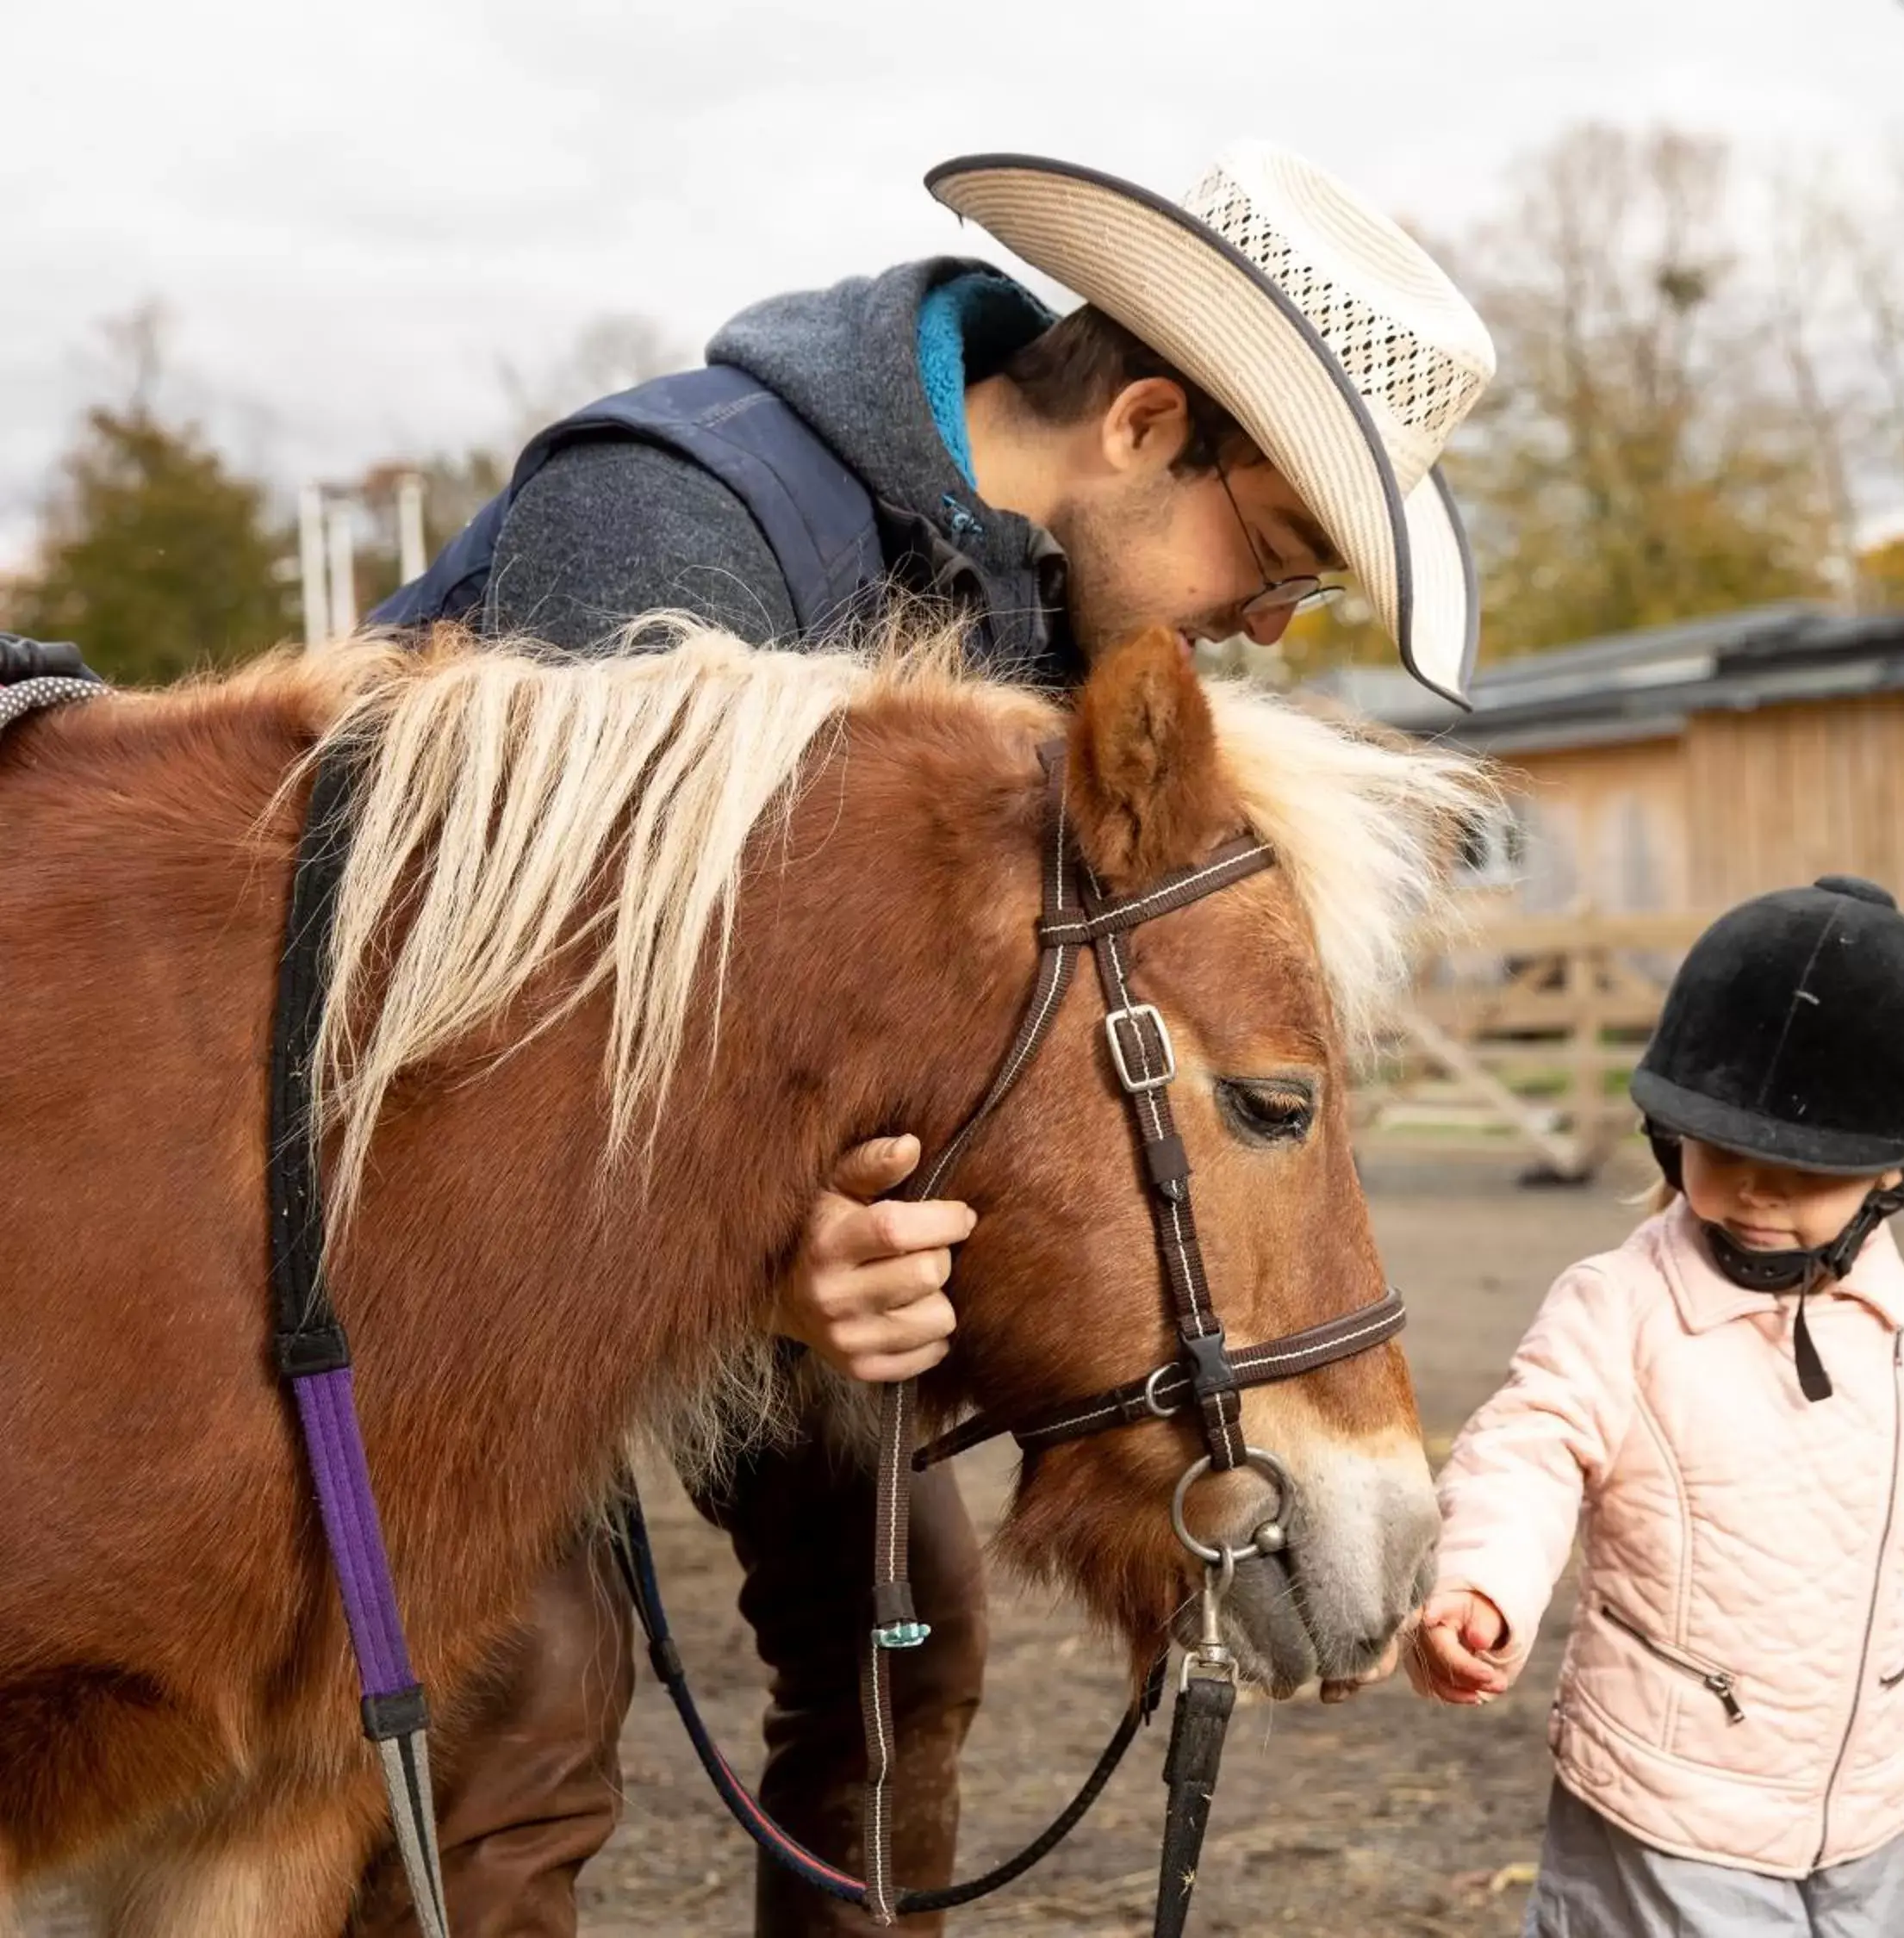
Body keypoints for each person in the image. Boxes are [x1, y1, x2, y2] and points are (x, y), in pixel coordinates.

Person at [353, 142, 1495, 1938]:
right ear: (1137, 428)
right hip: (450, 1230)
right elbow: (535, 1047)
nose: (1266, 624)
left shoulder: (1053, 633)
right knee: (525, 1699)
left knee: (903, 1646)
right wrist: (772, 1258)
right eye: (1272, 551)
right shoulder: (672, 517)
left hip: (785, 1234)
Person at [1406, 876, 1904, 1938]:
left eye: (1799, 1173)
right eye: (1723, 1154)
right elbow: (1525, 1448)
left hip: (1874, 1820)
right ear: (1670, 1134)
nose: (1755, 1193)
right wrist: (1483, 1584)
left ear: (1891, 1175)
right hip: (1668, 1814)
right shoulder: (1617, 1304)